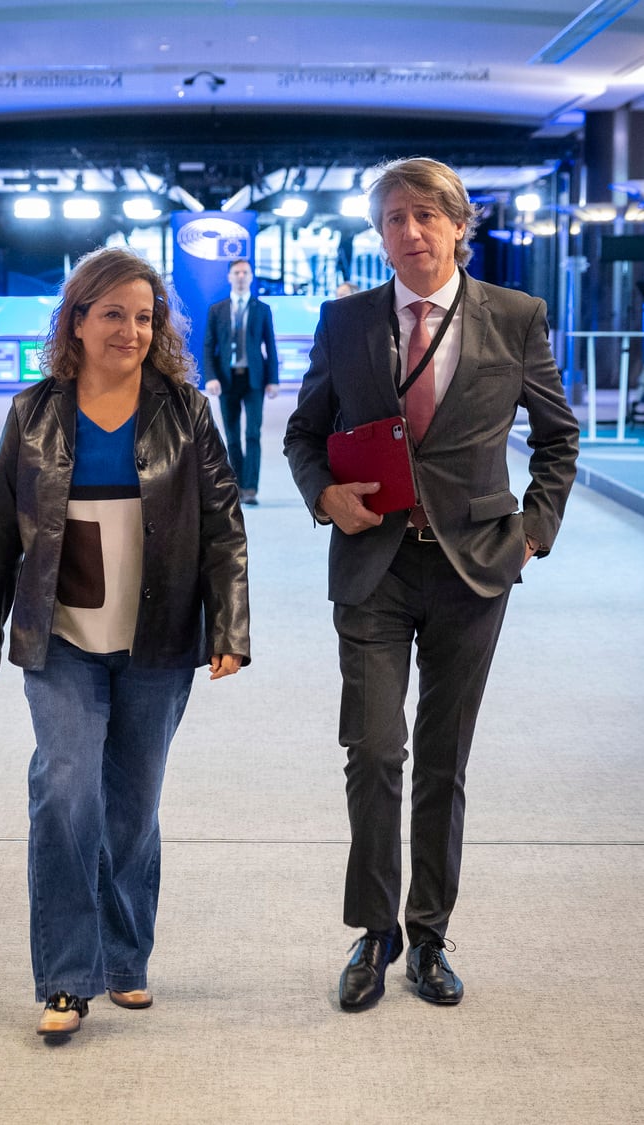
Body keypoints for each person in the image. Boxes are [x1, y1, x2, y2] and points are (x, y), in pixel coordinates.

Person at [284, 157, 579, 1012]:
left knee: (443, 758)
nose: (409, 232)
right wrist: (322, 493)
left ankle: (430, 934)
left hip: (473, 569)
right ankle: (373, 931)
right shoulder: (345, 322)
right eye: (392, 219)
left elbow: (558, 437)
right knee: (375, 749)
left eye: (424, 215)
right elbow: (305, 433)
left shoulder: (515, 317)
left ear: (458, 224)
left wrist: (533, 532)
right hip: (372, 564)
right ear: (378, 235)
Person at [0, 246, 250, 1039]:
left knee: (131, 805)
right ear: (77, 320)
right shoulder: (33, 413)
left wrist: (229, 626)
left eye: (144, 317)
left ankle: (124, 958)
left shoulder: (186, 411)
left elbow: (224, 527)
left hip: (159, 637)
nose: (130, 330)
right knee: (64, 788)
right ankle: (66, 976)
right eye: (113, 313)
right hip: (61, 637)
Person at [203, 258, 279, 505]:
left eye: (245, 272)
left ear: (251, 276)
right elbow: (209, 346)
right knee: (232, 436)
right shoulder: (217, 310)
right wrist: (211, 377)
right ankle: (237, 484)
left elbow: (270, 346)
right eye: (236, 272)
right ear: (229, 277)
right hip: (227, 380)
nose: (241, 276)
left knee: (252, 433)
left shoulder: (262, 309)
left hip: (254, 379)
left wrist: (273, 380)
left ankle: (251, 488)